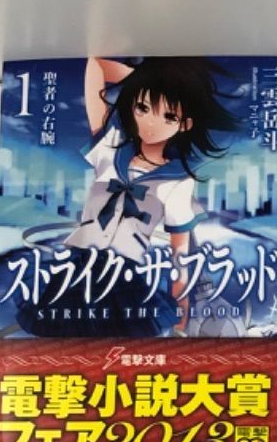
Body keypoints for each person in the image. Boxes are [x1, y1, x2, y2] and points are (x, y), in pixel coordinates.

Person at [65, 57, 240, 332]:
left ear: (185, 124)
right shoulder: (110, 147)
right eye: (143, 107)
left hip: (122, 279)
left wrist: (181, 299)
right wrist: (146, 78)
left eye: (168, 116)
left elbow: (179, 250)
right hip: (76, 270)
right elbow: (95, 66)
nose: (150, 123)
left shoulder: (178, 179)